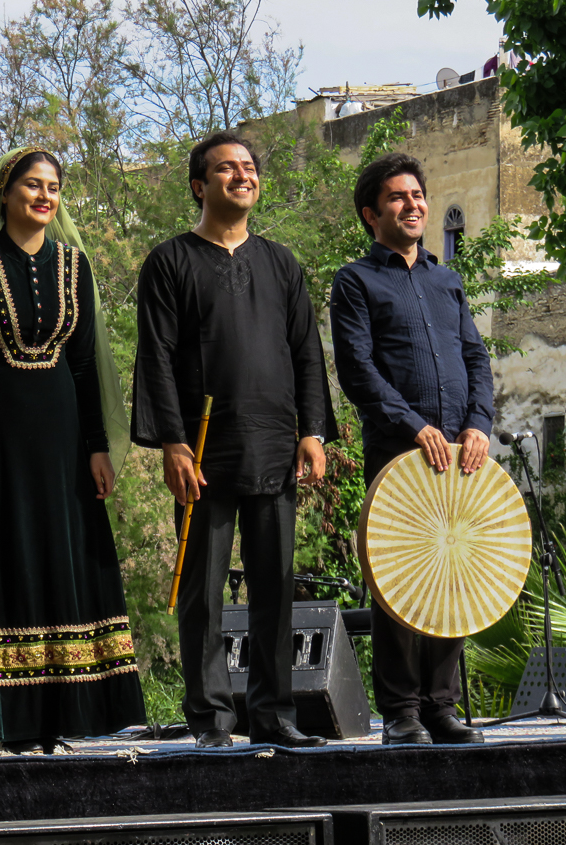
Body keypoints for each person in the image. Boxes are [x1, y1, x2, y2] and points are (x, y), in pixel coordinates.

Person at [0, 146, 146, 752]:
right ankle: (4, 721)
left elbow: (82, 365)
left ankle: (59, 717)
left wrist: (98, 448)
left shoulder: (74, 265)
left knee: (60, 561)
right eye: (32, 185)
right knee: (0, 559)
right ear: (5, 192)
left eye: (53, 186)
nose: (44, 196)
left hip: (60, 446)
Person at [132, 131, 336, 749]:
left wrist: (313, 432)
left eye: (249, 167)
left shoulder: (280, 262)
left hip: (276, 444)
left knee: (275, 589)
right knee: (203, 595)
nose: (243, 176)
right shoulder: (169, 262)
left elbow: (305, 352)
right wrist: (171, 444)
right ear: (200, 185)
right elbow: (158, 359)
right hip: (201, 452)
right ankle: (212, 721)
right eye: (227, 169)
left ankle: (273, 716)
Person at [330, 152, 493, 746]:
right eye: (398, 198)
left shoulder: (447, 280)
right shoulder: (355, 281)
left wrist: (478, 423)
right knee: (400, 580)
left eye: (418, 195)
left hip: (462, 456)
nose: (414, 204)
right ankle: (401, 713)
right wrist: (412, 424)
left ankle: (441, 707)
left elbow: (475, 357)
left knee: (455, 575)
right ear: (372, 214)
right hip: (399, 456)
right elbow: (358, 370)